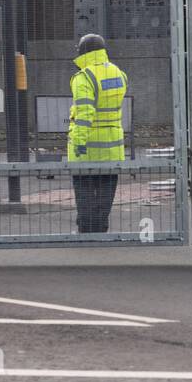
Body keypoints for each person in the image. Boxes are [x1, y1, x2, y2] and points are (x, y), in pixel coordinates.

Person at [68, 33, 129, 234]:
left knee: (84, 193)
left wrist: (78, 143)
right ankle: (101, 230)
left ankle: (86, 232)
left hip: (88, 149)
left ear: (84, 51)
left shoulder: (84, 77)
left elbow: (85, 115)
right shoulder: (118, 74)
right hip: (113, 148)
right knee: (105, 193)